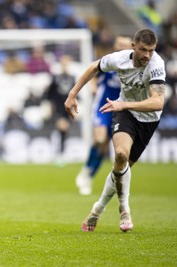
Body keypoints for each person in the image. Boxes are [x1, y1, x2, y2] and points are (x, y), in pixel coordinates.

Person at [64, 28, 166, 232]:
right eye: (143, 50)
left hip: (146, 119)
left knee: (121, 170)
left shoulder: (157, 65)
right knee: (120, 155)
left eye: (151, 50)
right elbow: (94, 67)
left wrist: (125, 105)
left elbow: (158, 102)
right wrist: (72, 94)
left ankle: (98, 208)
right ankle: (124, 208)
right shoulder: (119, 59)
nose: (147, 55)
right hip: (124, 112)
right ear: (133, 46)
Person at [75, 35, 133, 195]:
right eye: (119, 44)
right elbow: (94, 74)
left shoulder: (133, 66)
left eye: (125, 44)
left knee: (104, 148)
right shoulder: (109, 61)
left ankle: (88, 176)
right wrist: (93, 87)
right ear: (115, 45)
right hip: (102, 105)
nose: (121, 47)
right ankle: (86, 170)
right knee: (99, 140)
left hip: (120, 109)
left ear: (131, 47)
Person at [45, 55, 75, 164]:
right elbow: (49, 94)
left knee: (64, 131)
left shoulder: (72, 78)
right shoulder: (55, 78)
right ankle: (58, 154)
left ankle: (60, 154)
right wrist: (50, 107)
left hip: (67, 110)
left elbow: (75, 94)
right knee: (61, 128)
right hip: (57, 108)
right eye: (63, 64)